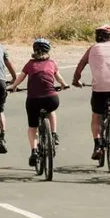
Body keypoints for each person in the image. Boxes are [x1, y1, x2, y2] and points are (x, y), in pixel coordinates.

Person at [71, 24, 110, 164]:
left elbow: (81, 64)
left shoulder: (92, 49)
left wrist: (76, 80)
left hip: (99, 89)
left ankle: (97, 145)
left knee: (96, 114)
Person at [12, 38, 67, 169]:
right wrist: (64, 85)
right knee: (51, 111)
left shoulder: (30, 64)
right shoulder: (51, 63)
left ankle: (34, 151)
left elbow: (20, 78)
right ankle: (53, 134)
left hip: (33, 100)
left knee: (32, 127)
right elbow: (59, 78)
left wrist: (13, 86)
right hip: (51, 99)